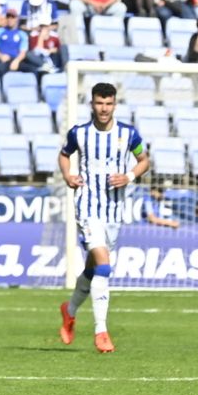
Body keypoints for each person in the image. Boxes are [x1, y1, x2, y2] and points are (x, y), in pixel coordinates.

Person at [57, 82, 150, 355]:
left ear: (115, 105)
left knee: (93, 268)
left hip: (114, 210)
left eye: (108, 104)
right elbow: (64, 156)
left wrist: (129, 176)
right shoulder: (80, 133)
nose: (104, 109)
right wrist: (68, 176)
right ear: (92, 104)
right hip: (87, 205)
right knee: (105, 267)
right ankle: (101, 331)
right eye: (99, 103)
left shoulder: (128, 134)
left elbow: (143, 160)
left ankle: (69, 310)